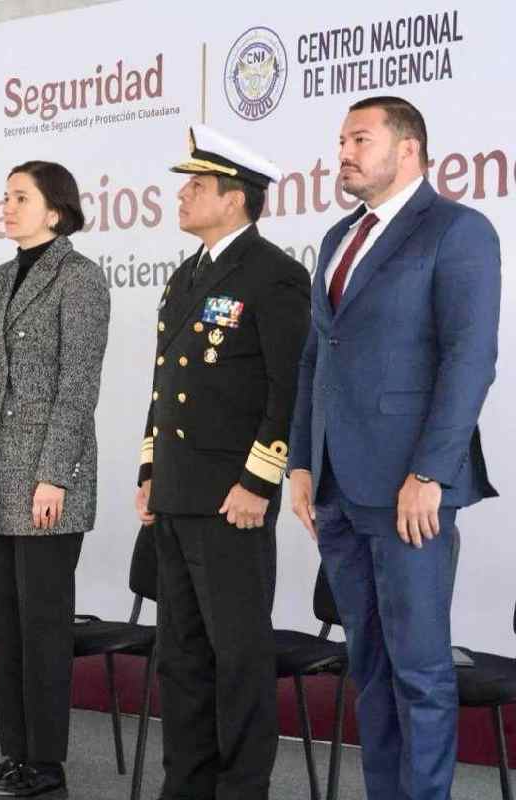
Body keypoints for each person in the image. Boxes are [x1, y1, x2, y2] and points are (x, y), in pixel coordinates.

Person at [288, 96, 500, 800]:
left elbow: (469, 359)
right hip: (338, 489)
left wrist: (430, 472)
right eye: (341, 139)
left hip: (411, 489)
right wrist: (299, 460)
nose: (343, 151)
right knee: (371, 670)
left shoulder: (457, 231)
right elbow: (316, 360)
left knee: (420, 671)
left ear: (408, 150)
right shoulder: (336, 239)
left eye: (359, 138)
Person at [134, 125, 311, 800]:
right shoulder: (187, 275)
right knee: (181, 654)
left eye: (197, 186)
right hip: (179, 492)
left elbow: (287, 386)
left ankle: (241, 790)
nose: (182, 195)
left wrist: (259, 479)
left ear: (235, 199)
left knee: (238, 657)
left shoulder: (274, 276)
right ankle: (188, 785)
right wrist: (150, 472)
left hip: (233, 496)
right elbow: (165, 385)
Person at [0, 161, 110, 800]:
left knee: (42, 630)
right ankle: (15, 755)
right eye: (5, 196)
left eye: (21, 197)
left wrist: (54, 476)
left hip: (47, 485)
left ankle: (47, 765)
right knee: (5, 628)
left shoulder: (80, 279)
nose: (7, 206)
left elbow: (79, 385)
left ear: (56, 210)